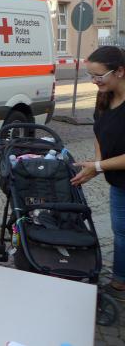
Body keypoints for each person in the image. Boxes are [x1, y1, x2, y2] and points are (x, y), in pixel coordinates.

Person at [71, 46, 125, 300]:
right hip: (119, 183)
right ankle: (120, 280)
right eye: (90, 75)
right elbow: (98, 132)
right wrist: (97, 162)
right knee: (121, 232)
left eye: (99, 76)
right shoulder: (104, 97)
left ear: (120, 71)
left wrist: (100, 167)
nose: (94, 81)